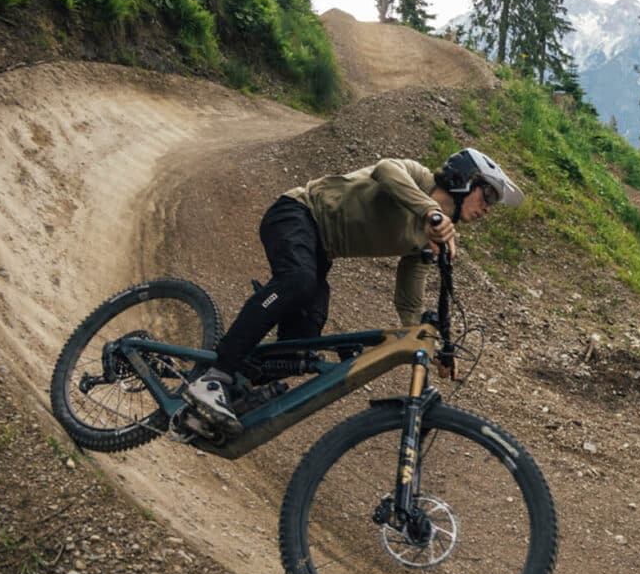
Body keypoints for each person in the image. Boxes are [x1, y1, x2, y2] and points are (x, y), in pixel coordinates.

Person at [184, 147, 524, 430]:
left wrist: (429, 348)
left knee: (297, 347)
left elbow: (409, 301)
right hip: (297, 213)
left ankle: (227, 396)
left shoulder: (427, 240)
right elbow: (384, 169)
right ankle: (214, 376)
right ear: (463, 179)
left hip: (321, 252)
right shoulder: (418, 177)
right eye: (487, 194)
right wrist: (431, 212)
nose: (488, 208)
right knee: (297, 281)